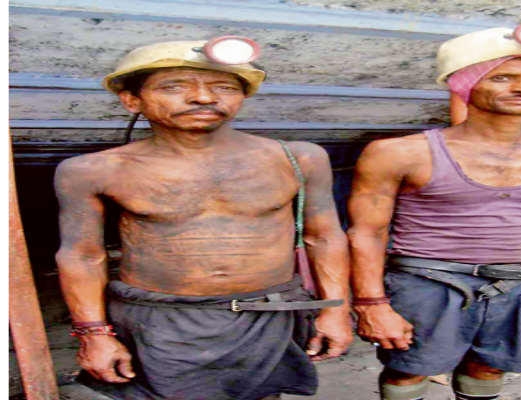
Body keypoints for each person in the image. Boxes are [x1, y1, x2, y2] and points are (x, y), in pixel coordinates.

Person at [54, 37, 352, 400]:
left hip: (269, 313)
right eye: (173, 86)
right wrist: (94, 333)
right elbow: (82, 256)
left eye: (224, 87)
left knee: (261, 394)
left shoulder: (298, 158)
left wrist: (336, 310)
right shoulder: (92, 170)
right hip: (161, 321)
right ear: (132, 100)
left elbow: (325, 237)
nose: (204, 97)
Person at [347, 26, 521, 400]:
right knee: (409, 369)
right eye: (503, 77)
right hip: (429, 281)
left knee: (490, 366)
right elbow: (367, 232)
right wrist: (371, 304)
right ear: (466, 82)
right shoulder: (399, 153)